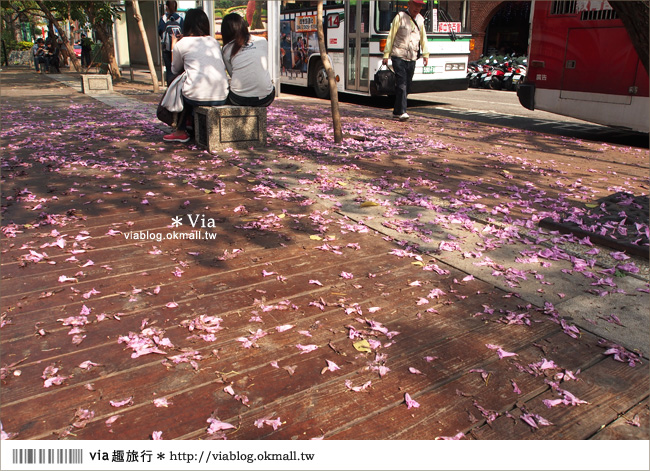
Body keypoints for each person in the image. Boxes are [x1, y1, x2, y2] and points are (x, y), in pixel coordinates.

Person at [163, 8, 229, 143]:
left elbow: (175, 69)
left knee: (176, 81)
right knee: (191, 80)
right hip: (222, 95)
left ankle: (180, 130)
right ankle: (189, 121)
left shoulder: (182, 44)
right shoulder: (213, 42)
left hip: (195, 97)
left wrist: (174, 46)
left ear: (186, 25)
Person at [382, 0, 429, 121]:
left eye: (420, 6)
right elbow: (391, 36)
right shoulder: (400, 17)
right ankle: (403, 111)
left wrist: (425, 54)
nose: (417, 8)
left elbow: (423, 38)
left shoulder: (420, 20)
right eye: (416, 5)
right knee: (402, 83)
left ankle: (397, 111)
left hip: (412, 56)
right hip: (398, 55)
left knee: (406, 85)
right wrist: (386, 54)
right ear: (409, 4)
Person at [220, 13, 275, 107]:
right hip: (265, 98)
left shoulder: (227, 49)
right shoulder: (262, 41)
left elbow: (233, 74)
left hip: (238, 98)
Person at [158, 0, 184, 86]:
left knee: (169, 68)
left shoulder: (163, 18)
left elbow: (160, 31)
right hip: (178, 47)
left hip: (166, 48)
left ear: (166, 7)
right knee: (178, 68)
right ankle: (177, 86)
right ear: (176, 7)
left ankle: (170, 87)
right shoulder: (180, 18)